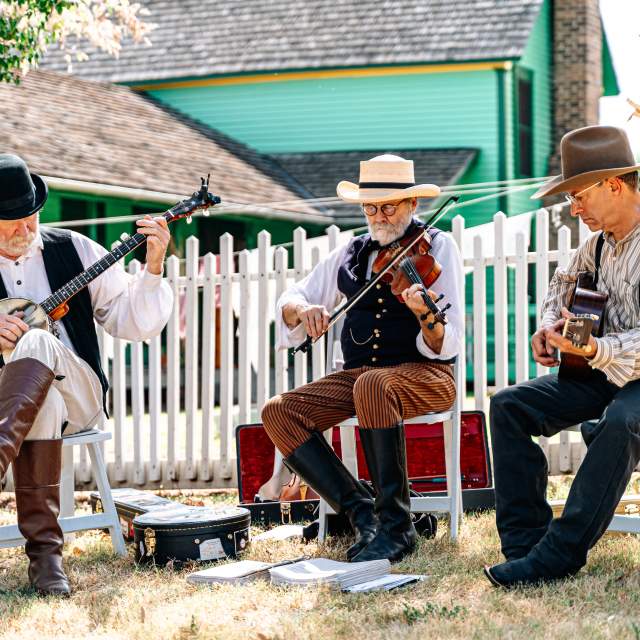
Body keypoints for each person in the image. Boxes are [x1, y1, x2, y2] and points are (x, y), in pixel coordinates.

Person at [261, 155, 463, 562]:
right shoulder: (350, 253)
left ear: (412, 206)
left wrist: (426, 316)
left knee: (372, 383)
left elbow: (450, 340)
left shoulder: (438, 247)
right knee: (278, 411)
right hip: (361, 378)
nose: (378, 216)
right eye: (370, 207)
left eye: (388, 207)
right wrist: (302, 311)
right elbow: (292, 296)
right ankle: (362, 513)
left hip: (427, 375)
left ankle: (397, 528)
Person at [0, 154, 173, 596]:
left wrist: (152, 269)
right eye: (10, 221)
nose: (25, 229)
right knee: (42, 402)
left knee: (36, 343)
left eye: (29, 216)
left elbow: (134, 324)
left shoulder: (73, 250)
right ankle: (46, 560)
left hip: (80, 396)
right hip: (22, 409)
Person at [485, 125, 640, 588]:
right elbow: (560, 288)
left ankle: (558, 555)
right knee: (508, 405)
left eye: (578, 196)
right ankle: (524, 545)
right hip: (603, 375)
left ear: (613, 184)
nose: (573, 208)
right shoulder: (594, 246)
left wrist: (595, 347)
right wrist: (549, 327)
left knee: (621, 422)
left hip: (626, 379)